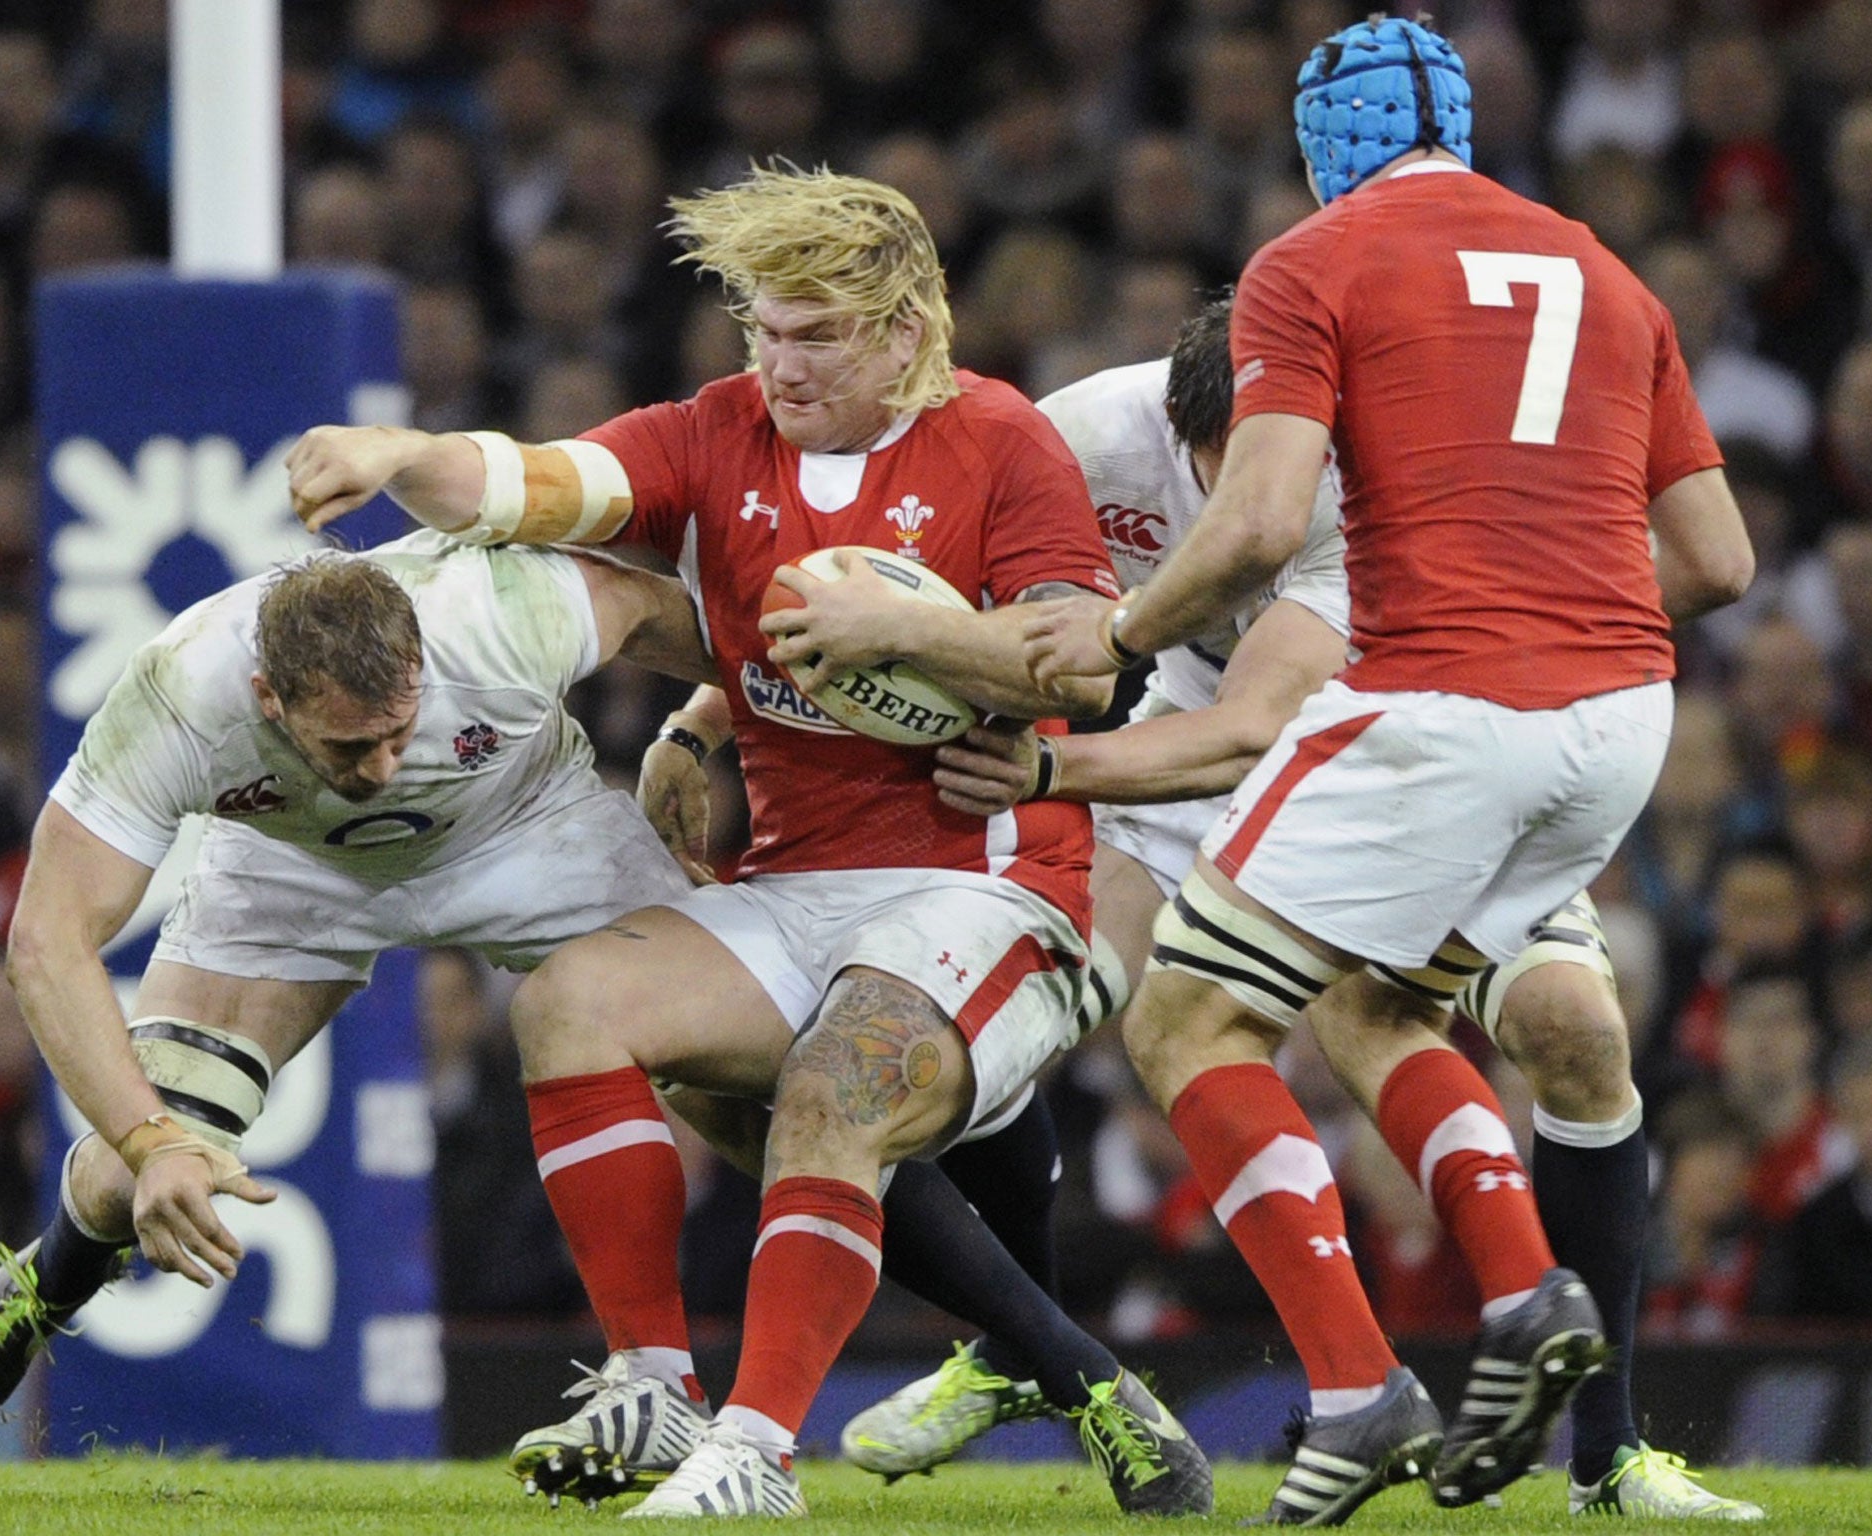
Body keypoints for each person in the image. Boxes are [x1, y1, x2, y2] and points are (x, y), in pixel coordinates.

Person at [282, 166, 1210, 1519]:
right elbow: (544, 480)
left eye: (818, 333)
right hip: (793, 888)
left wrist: (913, 633)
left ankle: (758, 1456)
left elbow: (1078, 667)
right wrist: (398, 457)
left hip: (987, 884)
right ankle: (655, 1391)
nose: (781, 363)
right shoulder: (717, 433)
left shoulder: (1004, 439)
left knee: (834, 1091)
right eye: (765, 332)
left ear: (906, 330)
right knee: (573, 1000)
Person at [835, 298, 1760, 1517]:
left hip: (1388, 745)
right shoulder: (1082, 434)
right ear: (1182, 429)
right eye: (1249, 460)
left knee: (1568, 1034)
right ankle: (1025, 1345)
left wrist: (1054, 766)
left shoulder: (1360, 473)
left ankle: (1606, 1455)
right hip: (1183, 739)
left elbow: (1260, 731)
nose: (1278, 493)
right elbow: (928, 584)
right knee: (1041, 995)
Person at [1024, 17, 1753, 1524]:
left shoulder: (1312, 262)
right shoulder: (1606, 272)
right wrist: (1573, 620)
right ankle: (1556, 1364)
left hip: (1434, 699)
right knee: (1443, 1007)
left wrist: (1117, 636)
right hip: (1620, 713)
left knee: (1187, 1018)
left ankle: (1366, 1391)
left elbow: (1251, 522)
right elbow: (1722, 563)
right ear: (1471, 129)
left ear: (1318, 150)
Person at [0, 531, 714, 1431]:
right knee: (133, 1154)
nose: (380, 771)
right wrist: (151, 1144)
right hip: (296, 877)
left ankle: (818, 1391)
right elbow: (45, 942)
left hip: (523, 827)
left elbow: (709, 628)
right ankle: (48, 1277)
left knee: (770, 1059)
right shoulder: (180, 692)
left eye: (398, 735)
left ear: (420, 661)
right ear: (269, 699)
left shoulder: (504, 611)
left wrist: (698, 724)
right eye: (346, 746)